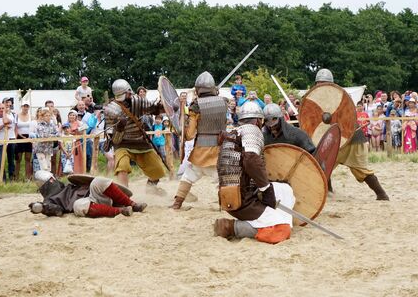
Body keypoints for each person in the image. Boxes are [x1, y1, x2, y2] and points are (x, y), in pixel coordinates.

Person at [214, 102, 296, 244]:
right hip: (245, 201)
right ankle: (231, 228)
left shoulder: (233, 133)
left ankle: (269, 217)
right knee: (282, 229)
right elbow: (251, 160)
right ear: (258, 120)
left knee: (285, 189)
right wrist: (266, 190)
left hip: (230, 196)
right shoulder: (252, 131)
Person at [315, 68, 388, 200]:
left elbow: (344, 117)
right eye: (318, 83)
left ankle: (381, 195)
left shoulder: (339, 97)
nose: (320, 86)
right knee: (323, 164)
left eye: (323, 83)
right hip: (337, 140)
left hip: (352, 138)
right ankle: (328, 192)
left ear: (330, 84)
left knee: (360, 170)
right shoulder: (319, 98)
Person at [170, 72, 227, 209]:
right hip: (219, 151)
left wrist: (181, 130)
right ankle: (224, 205)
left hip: (201, 151)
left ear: (197, 89)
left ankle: (177, 204)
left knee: (188, 175)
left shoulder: (195, 106)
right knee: (222, 181)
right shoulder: (224, 102)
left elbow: (189, 135)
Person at [104, 79, 166, 192]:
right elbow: (115, 140)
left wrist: (161, 107)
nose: (129, 95)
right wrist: (120, 127)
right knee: (122, 167)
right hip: (122, 143)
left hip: (140, 141)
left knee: (157, 169)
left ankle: (150, 189)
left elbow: (153, 108)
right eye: (127, 93)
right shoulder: (110, 109)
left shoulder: (137, 101)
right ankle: (125, 195)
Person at [29, 171, 146, 218]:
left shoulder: (68, 185)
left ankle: (133, 205)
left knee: (98, 180)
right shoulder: (49, 201)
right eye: (50, 181)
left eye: (52, 179)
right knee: (77, 205)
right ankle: (121, 211)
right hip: (87, 205)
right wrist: (41, 207)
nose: (53, 181)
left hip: (97, 196)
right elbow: (57, 211)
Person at [15, 103, 33, 180]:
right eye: (24, 106)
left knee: (28, 158)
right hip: (19, 137)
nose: (25, 108)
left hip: (29, 138)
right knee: (18, 158)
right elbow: (15, 128)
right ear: (21, 107)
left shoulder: (31, 116)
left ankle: (27, 178)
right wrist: (20, 136)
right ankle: (16, 177)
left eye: (27, 106)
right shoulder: (16, 116)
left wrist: (30, 136)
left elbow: (33, 127)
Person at [66, 110, 87, 174]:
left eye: (73, 115)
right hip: (67, 143)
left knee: (77, 158)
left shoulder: (79, 123)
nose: (72, 116)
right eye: (70, 115)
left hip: (76, 142)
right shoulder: (66, 124)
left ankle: (77, 171)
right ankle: (67, 171)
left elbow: (85, 128)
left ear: (76, 116)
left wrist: (78, 130)